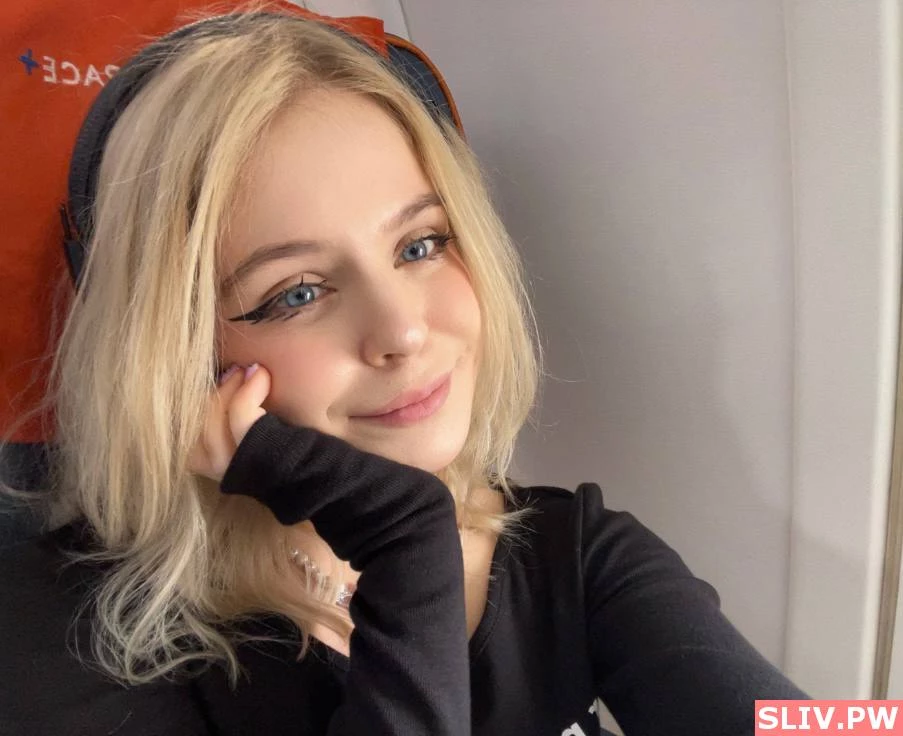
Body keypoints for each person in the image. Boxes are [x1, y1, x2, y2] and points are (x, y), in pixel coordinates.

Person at [0, 6, 811, 735]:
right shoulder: (64, 630)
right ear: (175, 353)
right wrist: (404, 537)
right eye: (297, 292)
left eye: (420, 245)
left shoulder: (573, 555)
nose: (404, 331)